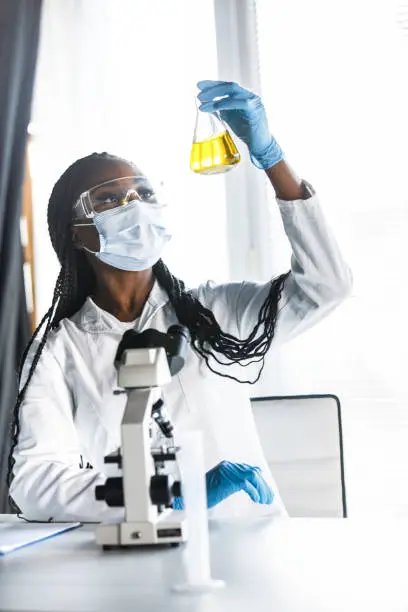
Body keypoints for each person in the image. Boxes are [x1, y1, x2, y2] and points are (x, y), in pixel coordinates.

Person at [8, 81, 352, 522]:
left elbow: (327, 286)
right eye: (110, 199)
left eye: (144, 193)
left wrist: (271, 159)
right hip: (139, 555)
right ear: (77, 232)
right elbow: (36, 483)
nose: (134, 205)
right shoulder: (60, 349)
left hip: (251, 546)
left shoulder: (213, 314)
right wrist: (167, 492)